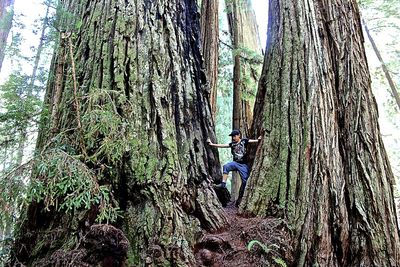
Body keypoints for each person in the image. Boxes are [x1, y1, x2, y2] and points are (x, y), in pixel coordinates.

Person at [206, 129, 261, 206]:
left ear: (239, 135)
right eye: (232, 136)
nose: (233, 138)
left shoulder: (244, 141)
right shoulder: (232, 144)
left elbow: (252, 141)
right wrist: (212, 144)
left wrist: (258, 140)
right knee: (226, 166)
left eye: (235, 136)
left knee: (245, 181)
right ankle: (223, 184)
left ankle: (241, 197)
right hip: (235, 163)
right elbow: (223, 146)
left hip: (243, 164)